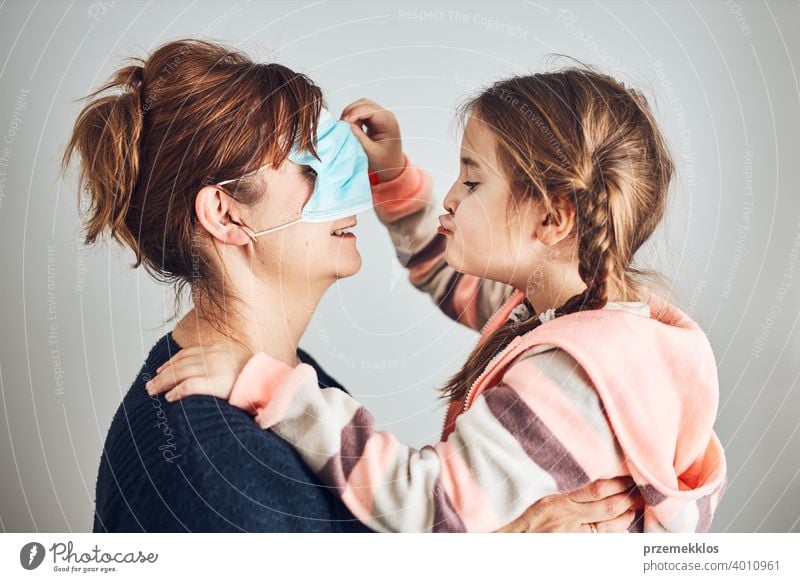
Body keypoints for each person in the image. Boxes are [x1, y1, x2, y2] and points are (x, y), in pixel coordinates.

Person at [63, 39, 636, 532]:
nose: (350, 177)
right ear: (226, 213)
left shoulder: (288, 377)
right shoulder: (216, 474)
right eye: (309, 165)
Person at [149, 67, 727, 533]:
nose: (450, 196)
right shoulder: (574, 314)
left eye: (472, 182)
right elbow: (455, 282)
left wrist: (272, 388)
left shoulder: (575, 373)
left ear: (552, 218)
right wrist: (395, 177)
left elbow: (426, 506)